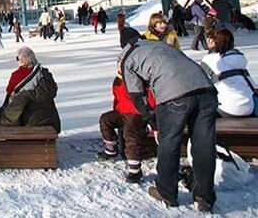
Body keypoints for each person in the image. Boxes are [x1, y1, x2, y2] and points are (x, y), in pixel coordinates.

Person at [120, 38, 217, 211]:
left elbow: (137, 96)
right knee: (204, 145)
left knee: (169, 143)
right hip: (206, 89)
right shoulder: (160, 45)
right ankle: (204, 198)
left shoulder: (128, 59)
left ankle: (167, 193)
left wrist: (153, 123)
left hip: (174, 95)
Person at [97, 65, 156, 183]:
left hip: (137, 113)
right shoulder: (119, 80)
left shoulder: (140, 80)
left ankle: (135, 168)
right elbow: (118, 97)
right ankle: (111, 148)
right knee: (105, 119)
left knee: (130, 132)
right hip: (122, 111)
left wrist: (148, 117)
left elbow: (150, 100)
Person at [0, 46, 61, 132]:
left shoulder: (17, 76)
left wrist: (2, 114)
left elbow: (10, 96)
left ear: (23, 60)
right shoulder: (44, 74)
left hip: (30, 121)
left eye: (18, 58)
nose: (17, 61)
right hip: (51, 119)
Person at [199, 28, 255, 117]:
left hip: (228, 109)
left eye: (210, 38)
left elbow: (200, 83)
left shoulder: (209, 59)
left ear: (216, 41)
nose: (208, 40)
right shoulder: (240, 58)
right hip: (249, 107)